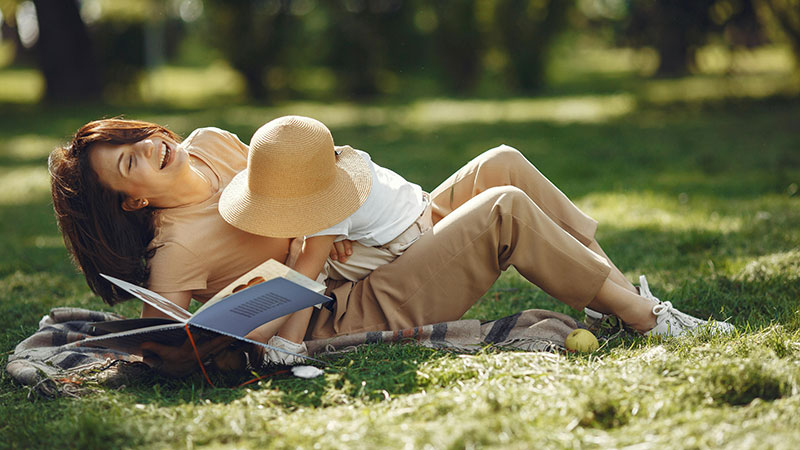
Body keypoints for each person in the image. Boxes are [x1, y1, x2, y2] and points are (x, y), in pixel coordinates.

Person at [49, 118, 734, 377]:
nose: (149, 148)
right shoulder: (176, 252)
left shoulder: (214, 145)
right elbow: (180, 344)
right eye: (129, 165)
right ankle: (649, 323)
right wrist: (307, 257)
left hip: (373, 241)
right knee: (502, 212)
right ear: (129, 204)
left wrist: (332, 205)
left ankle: (623, 300)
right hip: (344, 306)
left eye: (133, 137)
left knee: (500, 161)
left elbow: (302, 179)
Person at [218, 115, 433, 363]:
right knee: (306, 250)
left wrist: (259, 331)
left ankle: (286, 348)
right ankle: (270, 330)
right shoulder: (333, 168)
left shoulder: (331, 205)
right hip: (410, 214)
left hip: (405, 242)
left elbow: (306, 271)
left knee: (306, 263)